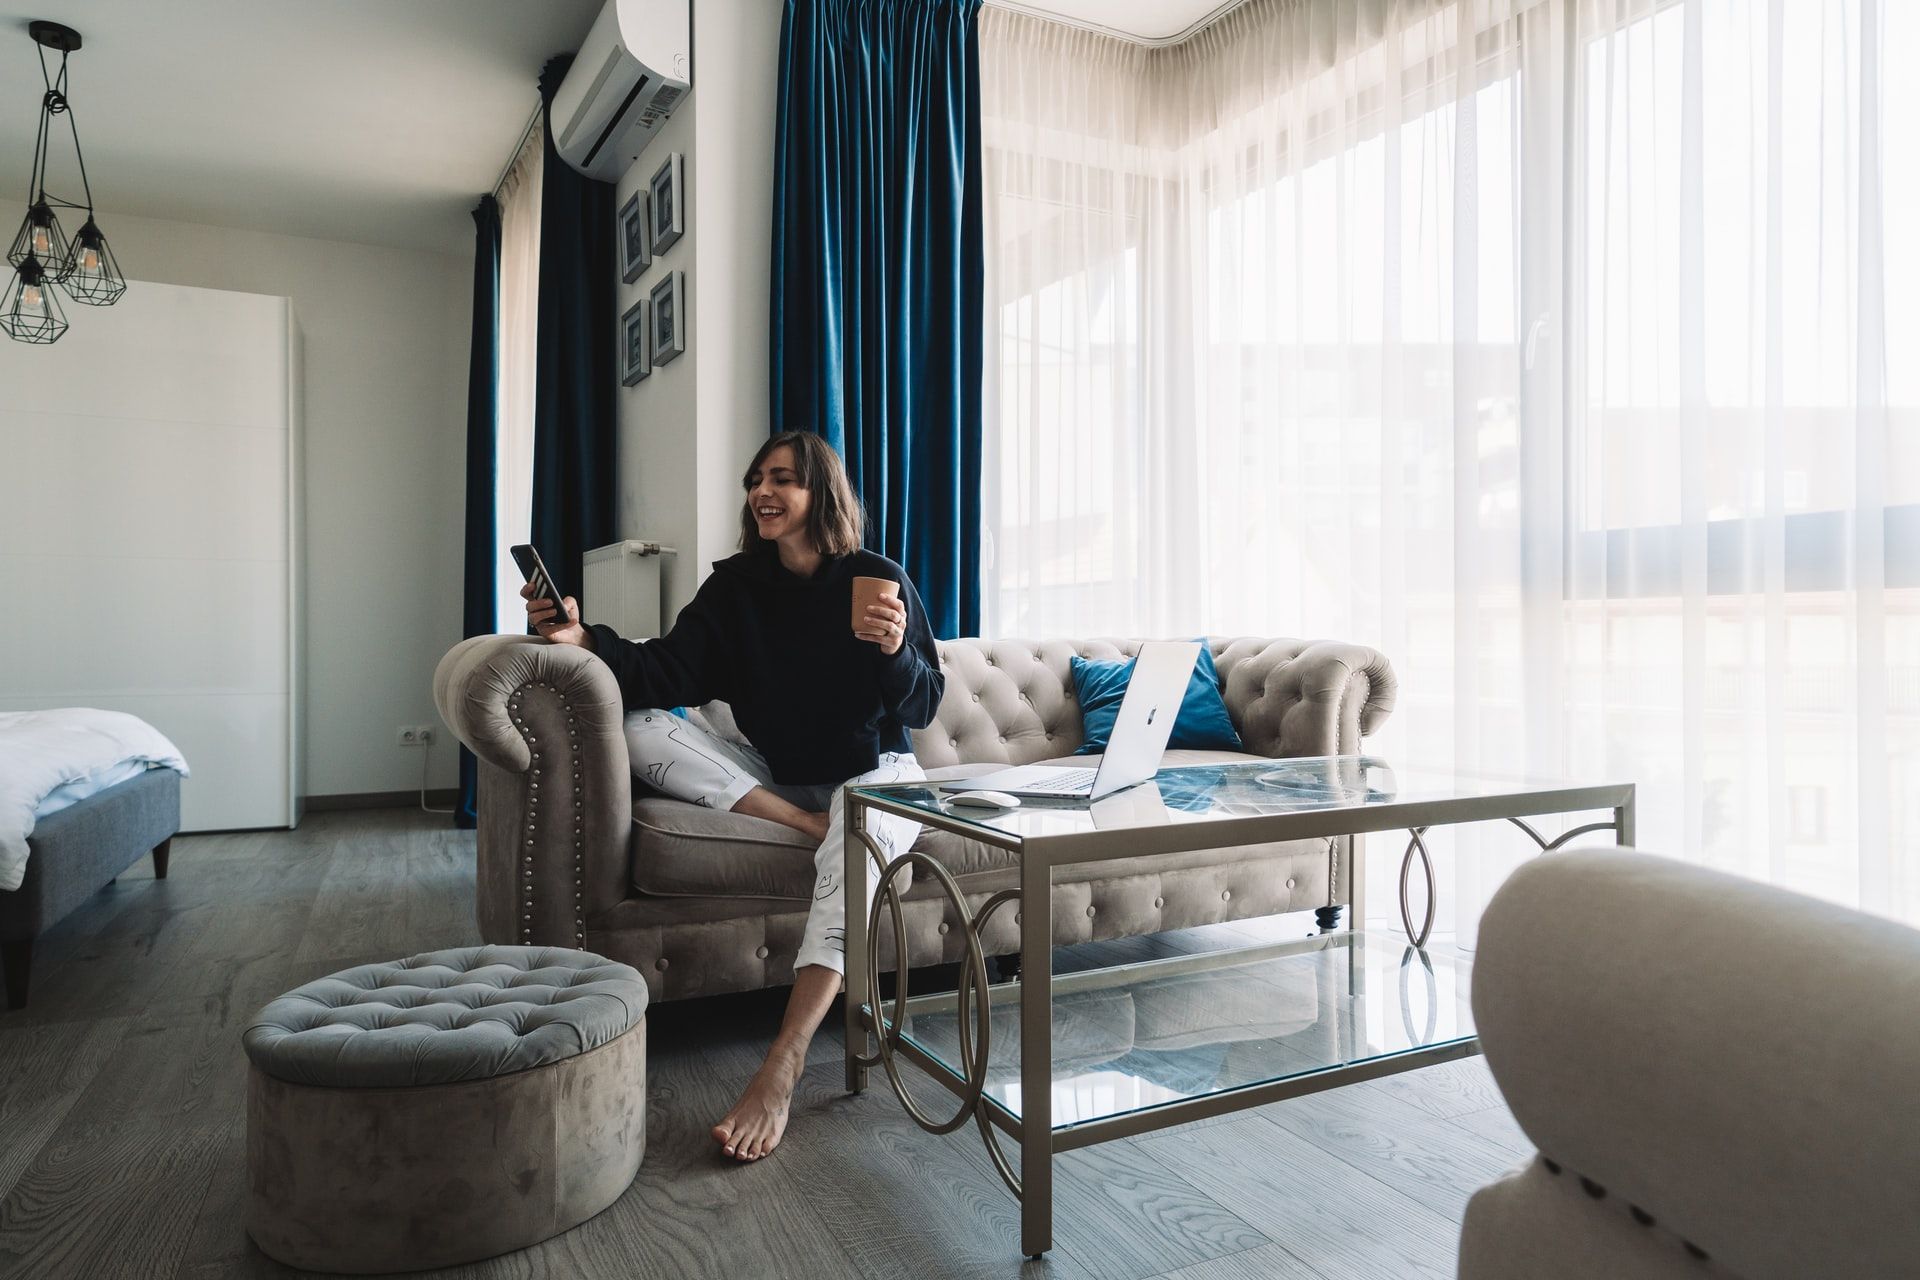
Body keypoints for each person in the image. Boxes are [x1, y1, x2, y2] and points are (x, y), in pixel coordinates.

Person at [523, 430, 943, 1163]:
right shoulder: (735, 587)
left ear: (822, 492)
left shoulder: (876, 576)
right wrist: (583, 636)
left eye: (784, 478)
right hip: (778, 773)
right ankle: (807, 824)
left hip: (876, 770)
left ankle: (781, 1064)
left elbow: (923, 707)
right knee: (643, 726)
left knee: (860, 826)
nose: (763, 492)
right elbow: (664, 673)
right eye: (756, 480)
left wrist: (895, 651)